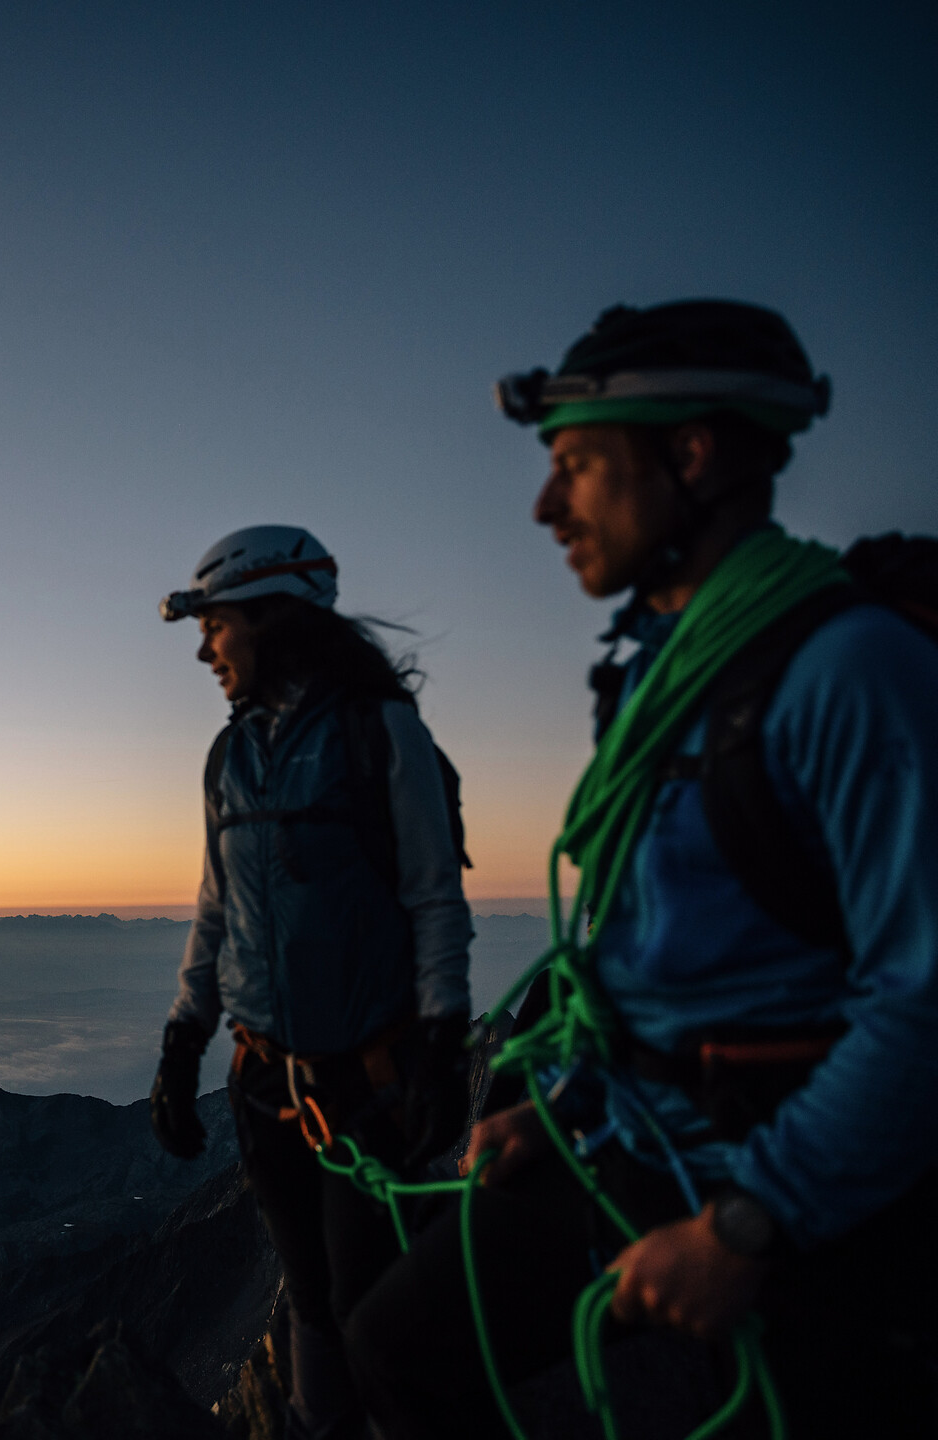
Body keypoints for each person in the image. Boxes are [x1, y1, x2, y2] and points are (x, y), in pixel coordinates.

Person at [343, 300, 938, 1438]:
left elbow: (923, 1003)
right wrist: (560, 1103)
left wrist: (749, 1224)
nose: (543, 505)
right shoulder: (661, 677)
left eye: (573, 464)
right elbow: (647, 955)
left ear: (692, 455)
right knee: (395, 1347)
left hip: (786, 1177)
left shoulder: (853, 672)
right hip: (640, 1131)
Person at [147, 525, 474, 1440]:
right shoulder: (229, 757)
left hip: (365, 1085)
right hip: (264, 1084)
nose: (206, 651)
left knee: (362, 1302)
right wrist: (183, 1042)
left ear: (271, 617)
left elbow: (435, 900)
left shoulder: (381, 733)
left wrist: (442, 1043)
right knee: (311, 1291)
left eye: (215, 627)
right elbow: (217, 910)